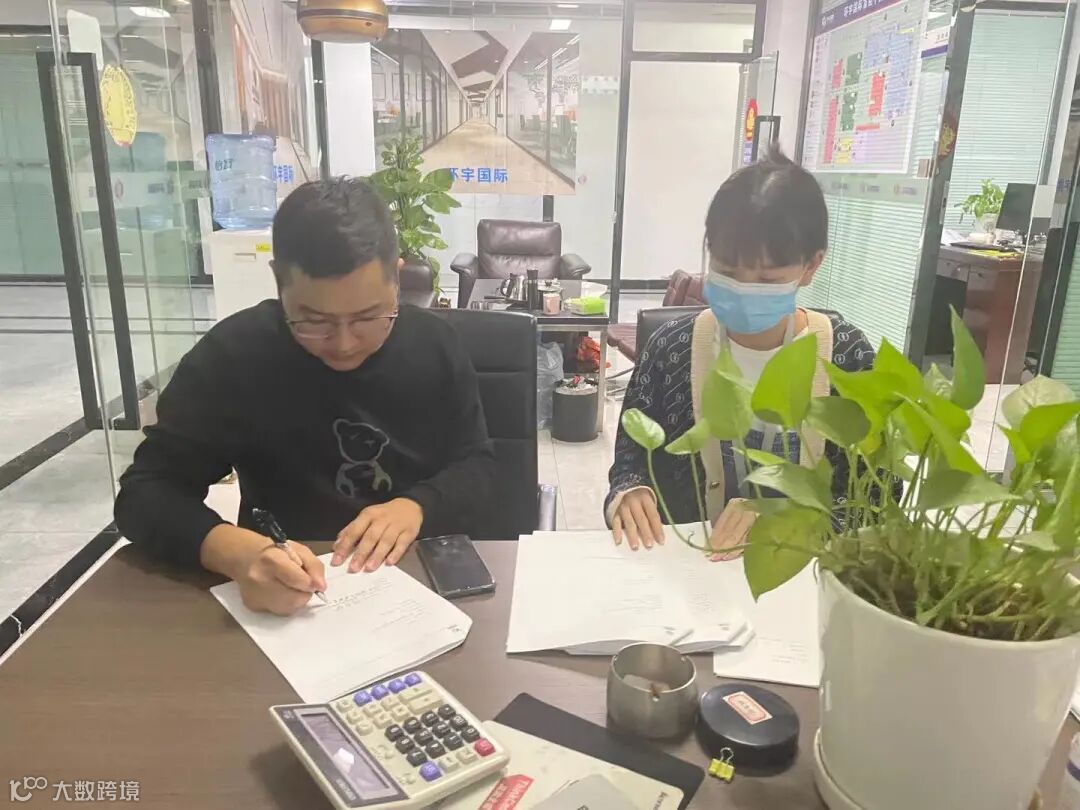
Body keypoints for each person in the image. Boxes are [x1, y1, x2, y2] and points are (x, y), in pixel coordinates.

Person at [114, 177, 495, 615]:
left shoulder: (435, 346)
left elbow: (478, 466)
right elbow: (145, 494)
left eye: (369, 317)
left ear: (396, 276)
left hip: (419, 584)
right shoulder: (235, 356)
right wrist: (236, 552)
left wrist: (417, 506)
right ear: (279, 280)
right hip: (288, 591)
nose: (344, 343)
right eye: (314, 321)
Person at [606, 147, 875, 555]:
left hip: (798, 570)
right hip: (687, 568)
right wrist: (629, 492)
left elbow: (876, 498)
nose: (744, 289)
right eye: (727, 271)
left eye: (767, 279)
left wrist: (788, 522)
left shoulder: (848, 357)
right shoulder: (671, 348)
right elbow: (631, 458)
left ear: (811, 266)